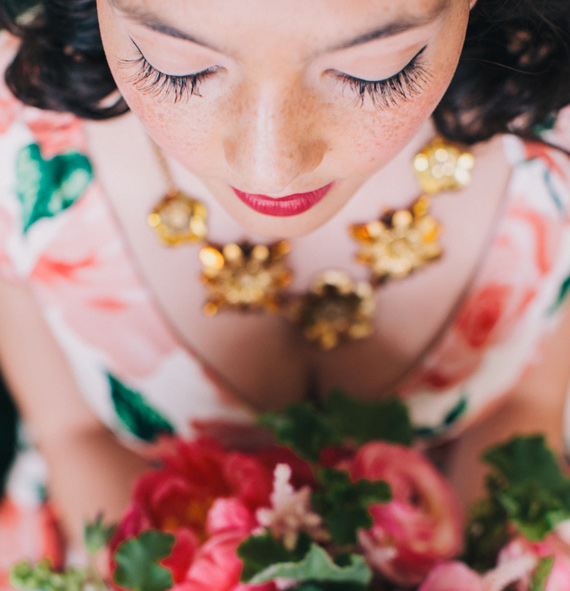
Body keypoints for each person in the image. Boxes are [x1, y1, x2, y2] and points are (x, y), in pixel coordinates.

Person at [0, 0, 568, 557]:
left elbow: (528, 409)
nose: (271, 168)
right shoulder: (15, 132)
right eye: (176, 67)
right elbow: (71, 433)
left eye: (371, 72)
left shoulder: (557, 139)